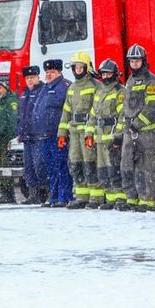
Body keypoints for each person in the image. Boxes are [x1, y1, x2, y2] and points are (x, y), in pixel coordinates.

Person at [119, 44, 155, 212]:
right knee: (127, 166)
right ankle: (132, 199)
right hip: (129, 132)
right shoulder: (130, 80)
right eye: (132, 61)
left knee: (146, 168)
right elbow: (126, 107)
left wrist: (137, 124)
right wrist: (126, 127)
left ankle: (147, 201)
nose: (134, 63)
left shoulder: (151, 81)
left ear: (143, 61)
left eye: (137, 60)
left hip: (147, 132)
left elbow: (154, 106)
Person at [58, 52, 100, 209]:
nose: (78, 69)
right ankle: (82, 196)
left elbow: (97, 110)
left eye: (81, 66)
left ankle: (95, 196)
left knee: (91, 164)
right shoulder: (72, 88)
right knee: (76, 165)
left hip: (88, 131)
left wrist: (92, 131)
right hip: (74, 131)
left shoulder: (95, 86)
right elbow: (66, 111)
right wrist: (62, 134)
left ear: (87, 68)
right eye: (76, 67)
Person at [86, 59, 126, 209]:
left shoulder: (120, 91)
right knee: (103, 171)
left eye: (108, 73)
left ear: (114, 74)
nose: (106, 76)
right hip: (100, 138)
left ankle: (121, 199)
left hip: (112, 138)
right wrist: (88, 134)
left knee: (115, 170)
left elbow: (123, 115)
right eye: (103, 73)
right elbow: (92, 115)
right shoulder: (99, 91)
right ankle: (110, 200)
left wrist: (118, 135)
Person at [33, 59, 73, 207]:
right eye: (47, 72)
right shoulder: (45, 88)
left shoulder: (65, 86)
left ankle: (64, 196)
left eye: (52, 72)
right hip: (45, 135)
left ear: (60, 72)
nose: (49, 74)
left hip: (58, 134)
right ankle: (54, 196)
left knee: (61, 166)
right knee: (50, 168)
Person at [17, 66, 46, 205]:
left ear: (38, 78)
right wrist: (19, 132)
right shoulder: (24, 94)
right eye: (27, 78)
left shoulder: (42, 91)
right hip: (26, 136)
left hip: (38, 135)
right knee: (29, 167)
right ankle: (33, 194)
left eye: (32, 77)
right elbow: (21, 116)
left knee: (40, 165)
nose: (30, 80)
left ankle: (45, 192)